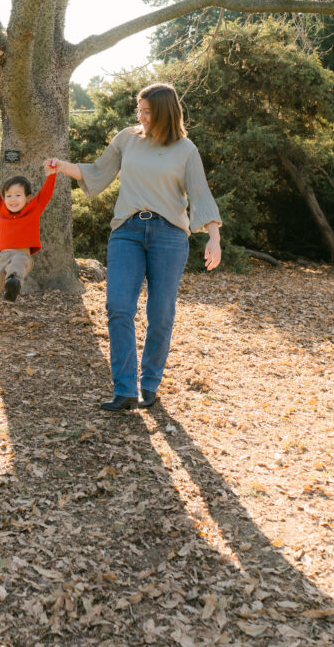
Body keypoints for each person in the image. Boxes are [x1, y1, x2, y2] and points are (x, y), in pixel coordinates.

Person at [49, 82, 221, 412]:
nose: (140, 116)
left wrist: (213, 237)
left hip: (168, 236)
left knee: (161, 313)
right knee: (118, 307)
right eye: (138, 110)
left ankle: (149, 385)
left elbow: (200, 194)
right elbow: (99, 173)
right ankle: (125, 389)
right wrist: (61, 166)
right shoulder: (127, 139)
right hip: (127, 231)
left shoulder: (185, 149)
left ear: (165, 114)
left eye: (147, 111)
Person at [0, 165, 57, 335]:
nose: (12, 199)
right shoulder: (2, 209)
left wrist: (51, 175)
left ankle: (13, 281)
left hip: (22, 254)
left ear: (28, 198)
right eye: (8, 196)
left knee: (18, 263)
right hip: (2, 256)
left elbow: (46, 193)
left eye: (18, 195)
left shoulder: (34, 208)